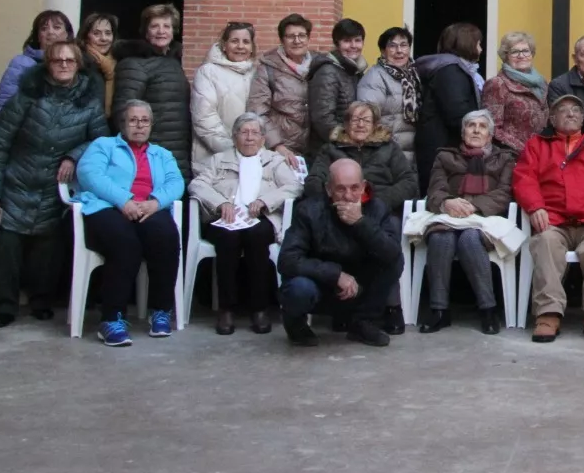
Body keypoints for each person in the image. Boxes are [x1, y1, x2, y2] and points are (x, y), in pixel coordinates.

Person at [0, 40, 105, 327]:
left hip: (54, 187)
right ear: (47, 65)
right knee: (6, 248)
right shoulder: (26, 97)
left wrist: (73, 157)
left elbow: (99, 143)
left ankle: (41, 301)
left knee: (47, 250)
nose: (63, 65)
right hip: (16, 182)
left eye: (69, 60)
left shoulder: (89, 102)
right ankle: (4, 306)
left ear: (78, 65)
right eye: (57, 60)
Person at [513, 95, 584, 342]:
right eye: (563, 110)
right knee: (544, 241)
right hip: (553, 221)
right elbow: (524, 178)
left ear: (583, 117)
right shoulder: (537, 144)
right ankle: (548, 313)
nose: (570, 114)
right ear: (552, 118)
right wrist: (535, 207)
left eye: (576, 110)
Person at [74, 100, 185, 346]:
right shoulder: (103, 146)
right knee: (125, 244)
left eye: (144, 121)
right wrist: (123, 200)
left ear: (151, 125)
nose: (139, 125)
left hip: (147, 208)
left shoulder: (161, 154)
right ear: (122, 124)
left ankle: (161, 311)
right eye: (133, 120)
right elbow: (89, 174)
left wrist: (155, 203)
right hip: (107, 208)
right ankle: (112, 318)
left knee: (167, 236)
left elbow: (176, 183)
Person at [187, 111, 301, 334]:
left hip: (261, 217)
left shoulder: (274, 161)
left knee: (256, 236)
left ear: (263, 139)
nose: (249, 137)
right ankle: (226, 309)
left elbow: (294, 186)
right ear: (234, 137)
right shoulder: (219, 160)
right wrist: (220, 203)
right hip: (224, 218)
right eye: (244, 132)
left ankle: (259, 308)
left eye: (255, 133)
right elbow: (197, 185)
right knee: (228, 238)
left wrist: (265, 201)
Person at [277, 158, 404, 348]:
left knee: (393, 260)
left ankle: (362, 323)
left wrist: (361, 223)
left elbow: (393, 254)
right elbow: (287, 259)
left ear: (363, 187)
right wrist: (334, 274)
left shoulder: (377, 208)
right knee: (299, 288)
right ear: (328, 189)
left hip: (359, 286)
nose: (348, 196)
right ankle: (295, 324)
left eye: (354, 188)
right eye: (340, 189)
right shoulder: (309, 210)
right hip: (321, 284)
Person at [420, 109, 516, 335]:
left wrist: (475, 206)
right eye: (470, 125)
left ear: (490, 135)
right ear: (462, 133)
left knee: (470, 239)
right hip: (449, 216)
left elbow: (505, 193)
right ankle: (439, 310)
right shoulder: (445, 157)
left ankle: (488, 308)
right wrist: (447, 203)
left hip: (486, 219)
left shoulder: (504, 158)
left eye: (482, 127)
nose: (476, 130)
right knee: (440, 238)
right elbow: (435, 190)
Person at [114, 2, 192, 178]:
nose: (161, 31)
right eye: (155, 26)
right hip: (149, 151)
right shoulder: (134, 63)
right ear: (146, 31)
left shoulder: (175, 62)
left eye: (167, 26)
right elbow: (123, 112)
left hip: (177, 149)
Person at [415, 22, 485, 170]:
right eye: (478, 44)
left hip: (440, 145)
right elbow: (457, 113)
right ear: (467, 44)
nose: (481, 49)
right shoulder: (451, 71)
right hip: (444, 147)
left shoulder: (451, 68)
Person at [190, 22, 258, 171]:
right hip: (215, 159)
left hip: (251, 160)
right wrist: (233, 151)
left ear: (252, 47)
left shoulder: (257, 74)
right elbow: (204, 118)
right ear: (224, 45)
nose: (240, 46)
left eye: (246, 42)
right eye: (234, 41)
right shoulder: (208, 72)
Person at [247, 13, 315, 160]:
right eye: (290, 36)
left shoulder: (319, 65)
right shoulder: (267, 68)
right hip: (282, 150)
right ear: (282, 40)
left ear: (308, 38)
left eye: (302, 35)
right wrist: (277, 146)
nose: (297, 41)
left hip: (315, 149)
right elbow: (258, 112)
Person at [356, 25, 421, 162]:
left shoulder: (415, 76)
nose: (399, 51)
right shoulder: (375, 77)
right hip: (387, 154)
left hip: (412, 152)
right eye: (392, 46)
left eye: (404, 45)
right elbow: (367, 119)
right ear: (383, 51)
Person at [479, 31, 549, 154]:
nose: (521, 55)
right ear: (506, 56)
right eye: (515, 51)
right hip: (512, 157)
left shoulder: (541, 82)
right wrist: (524, 150)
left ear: (532, 54)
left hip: (541, 155)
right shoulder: (497, 84)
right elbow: (492, 127)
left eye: (526, 51)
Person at [0, 10, 76, 112]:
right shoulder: (21, 63)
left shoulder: (77, 63)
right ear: (38, 36)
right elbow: (3, 103)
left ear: (67, 35)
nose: (50, 32)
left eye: (56, 27)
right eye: (44, 28)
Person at [308, 18, 368, 147]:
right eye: (347, 41)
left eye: (357, 40)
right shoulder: (327, 71)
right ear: (337, 43)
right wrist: (346, 142)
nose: (353, 46)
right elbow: (323, 118)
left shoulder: (356, 71)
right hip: (332, 149)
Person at [76, 12, 118, 117]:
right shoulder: (78, 64)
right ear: (86, 37)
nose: (103, 38)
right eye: (96, 33)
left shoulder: (118, 62)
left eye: (108, 33)